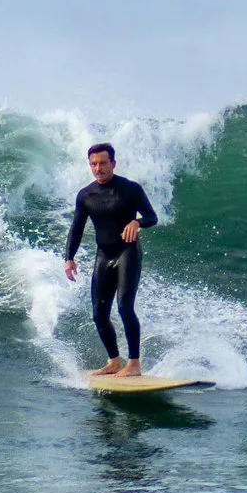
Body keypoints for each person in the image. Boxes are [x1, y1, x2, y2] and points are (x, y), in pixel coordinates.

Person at [63, 143, 160, 376]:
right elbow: (76, 229)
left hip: (128, 252)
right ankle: (115, 361)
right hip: (103, 255)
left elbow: (152, 217)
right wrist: (69, 258)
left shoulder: (130, 189)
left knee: (125, 306)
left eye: (103, 163)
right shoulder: (86, 195)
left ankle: (134, 364)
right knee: (99, 313)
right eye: (93, 164)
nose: (98, 168)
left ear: (113, 164)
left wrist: (137, 222)